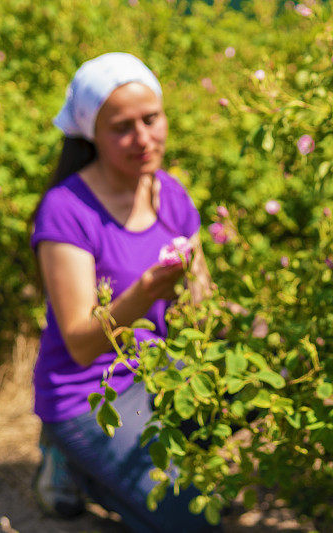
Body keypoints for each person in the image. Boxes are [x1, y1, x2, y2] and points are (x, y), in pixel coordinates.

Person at [29, 52, 217, 532]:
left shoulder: (170, 194)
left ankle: (120, 472)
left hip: (161, 373)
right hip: (91, 393)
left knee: (264, 379)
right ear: (91, 133)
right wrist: (149, 290)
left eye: (151, 119)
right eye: (122, 127)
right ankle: (74, 460)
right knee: (194, 526)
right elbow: (81, 341)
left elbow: (201, 306)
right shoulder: (66, 210)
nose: (143, 138)